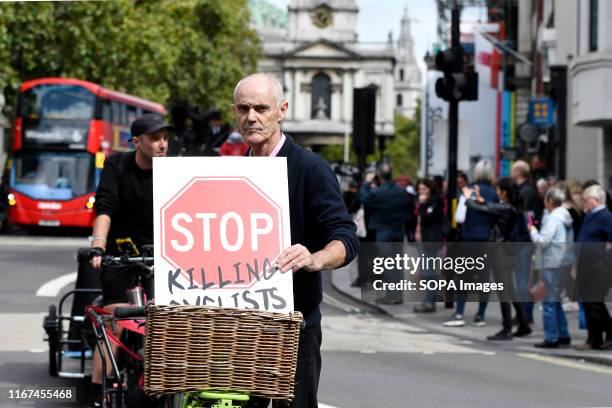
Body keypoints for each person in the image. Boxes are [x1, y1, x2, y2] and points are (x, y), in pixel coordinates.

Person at [231, 73, 359, 408]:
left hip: (295, 324)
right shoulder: (229, 173)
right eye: (243, 108)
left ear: (282, 110)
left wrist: (315, 258)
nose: (251, 117)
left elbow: (345, 237)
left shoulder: (310, 167)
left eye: (261, 107)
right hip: (242, 327)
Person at [87, 113, 172, 407]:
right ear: (137, 142)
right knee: (115, 321)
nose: (162, 144)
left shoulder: (173, 170)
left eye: (165, 138)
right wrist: (98, 248)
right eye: (155, 138)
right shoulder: (116, 165)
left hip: (161, 256)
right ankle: (98, 395)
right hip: (120, 254)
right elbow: (105, 207)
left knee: (165, 320)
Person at [462, 177, 532, 340]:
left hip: (499, 252)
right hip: (505, 251)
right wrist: (480, 200)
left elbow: (485, 209)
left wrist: (468, 199)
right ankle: (523, 324)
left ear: (505, 192)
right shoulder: (511, 207)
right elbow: (489, 207)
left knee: (503, 292)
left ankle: (507, 329)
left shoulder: (505, 208)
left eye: (499, 190)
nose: (497, 192)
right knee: (510, 290)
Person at [445, 160, 497, 327]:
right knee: (484, 278)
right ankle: (480, 315)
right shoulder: (494, 193)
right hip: (487, 240)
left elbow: (459, 217)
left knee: (464, 276)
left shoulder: (467, 191)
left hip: (468, 239)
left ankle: (459, 312)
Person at [359, 161, 412, 304]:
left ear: (379, 176)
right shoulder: (401, 191)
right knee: (398, 264)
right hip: (398, 230)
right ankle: (398, 295)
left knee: (388, 264)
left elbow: (363, 198)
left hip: (384, 231)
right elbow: (409, 203)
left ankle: (391, 296)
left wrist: (366, 182)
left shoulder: (379, 192)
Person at [528, 187, 575, 348]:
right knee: (556, 300)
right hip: (564, 262)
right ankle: (563, 334)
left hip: (552, 263)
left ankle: (551, 337)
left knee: (549, 301)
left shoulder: (553, 219)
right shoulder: (566, 217)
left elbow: (543, 241)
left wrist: (532, 231)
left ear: (549, 201)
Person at [574, 184, 612, 350]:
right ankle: (593, 338)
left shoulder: (605, 217)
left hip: (598, 267)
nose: (583, 203)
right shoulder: (590, 215)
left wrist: (602, 261)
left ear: (595, 200)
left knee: (594, 301)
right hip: (585, 264)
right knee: (588, 302)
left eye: (585, 200)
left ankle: (609, 332)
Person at [511, 160, 543, 325]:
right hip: (525, 239)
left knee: (522, 280)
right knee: (524, 279)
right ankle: (525, 313)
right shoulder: (529, 191)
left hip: (523, 240)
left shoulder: (525, 192)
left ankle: (524, 314)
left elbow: (527, 217)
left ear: (518, 172)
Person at [413, 178, 445, 313]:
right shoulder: (420, 201)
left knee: (428, 271)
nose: (422, 192)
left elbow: (428, 218)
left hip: (430, 240)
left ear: (431, 189)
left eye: (424, 189)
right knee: (426, 271)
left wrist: (423, 204)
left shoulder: (435, 201)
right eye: (420, 189)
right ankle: (428, 299)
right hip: (421, 239)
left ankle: (430, 302)